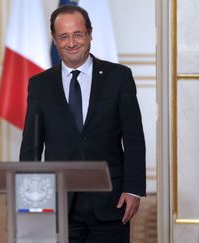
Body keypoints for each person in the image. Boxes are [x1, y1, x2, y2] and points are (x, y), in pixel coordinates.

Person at [19, 4, 146, 243]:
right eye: (63, 37)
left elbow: (134, 139)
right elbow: (31, 148)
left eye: (78, 34)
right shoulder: (40, 84)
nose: (72, 43)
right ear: (55, 40)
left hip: (111, 200)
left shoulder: (119, 77)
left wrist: (133, 189)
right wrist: (30, 202)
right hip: (60, 203)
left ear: (90, 34)